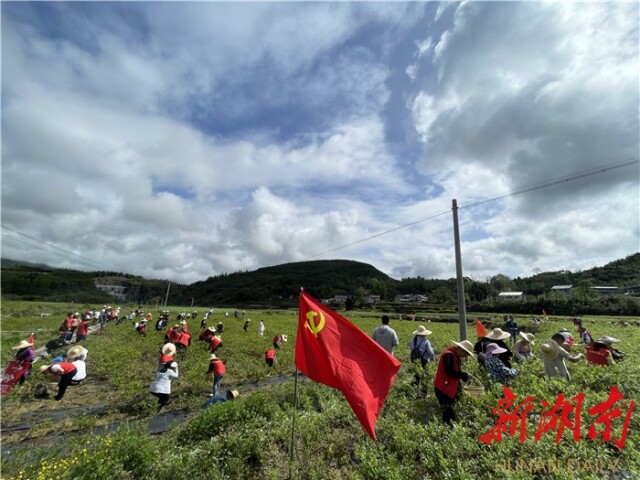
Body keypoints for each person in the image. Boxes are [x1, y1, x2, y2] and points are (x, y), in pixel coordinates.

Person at [433, 340, 474, 424]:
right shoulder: (449, 355)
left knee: (450, 411)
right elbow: (449, 371)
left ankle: (450, 428)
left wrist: (463, 379)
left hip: (447, 387)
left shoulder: (454, 355)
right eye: (466, 354)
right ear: (462, 349)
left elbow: (454, 371)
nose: (466, 356)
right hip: (443, 389)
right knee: (448, 412)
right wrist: (464, 375)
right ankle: (447, 432)